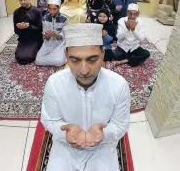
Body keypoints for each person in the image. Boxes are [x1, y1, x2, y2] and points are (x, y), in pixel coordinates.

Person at [41, 23, 130, 171]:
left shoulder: (118, 85)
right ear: (66, 57)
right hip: (66, 147)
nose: (84, 70)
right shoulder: (55, 83)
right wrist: (66, 134)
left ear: (102, 54)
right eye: (75, 60)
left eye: (92, 59)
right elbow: (50, 120)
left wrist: (103, 134)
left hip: (102, 148)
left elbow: (120, 125)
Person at [35, 0, 68, 67]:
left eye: (54, 9)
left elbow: (65, 35)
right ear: (48, 8)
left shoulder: (64, 19)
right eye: (50, 9)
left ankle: (61, 56)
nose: (52, 11)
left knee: (59, 62)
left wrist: (56, 35)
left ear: (59, 8)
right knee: (38, 61)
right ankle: (55, 57)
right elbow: (44, 35)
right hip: (48, 43)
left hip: (60, 43)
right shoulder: (45, 18)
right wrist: (47, 35)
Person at [14, 0, 43, 65]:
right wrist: (19, 27)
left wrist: (28, 26)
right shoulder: (16, 12)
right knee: (19, 58)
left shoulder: (37, 11)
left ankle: (38, 47)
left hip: (35, 39)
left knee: (28, 57)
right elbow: (16, 31)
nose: (22, 2)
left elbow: (40, 30)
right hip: (23, 39)